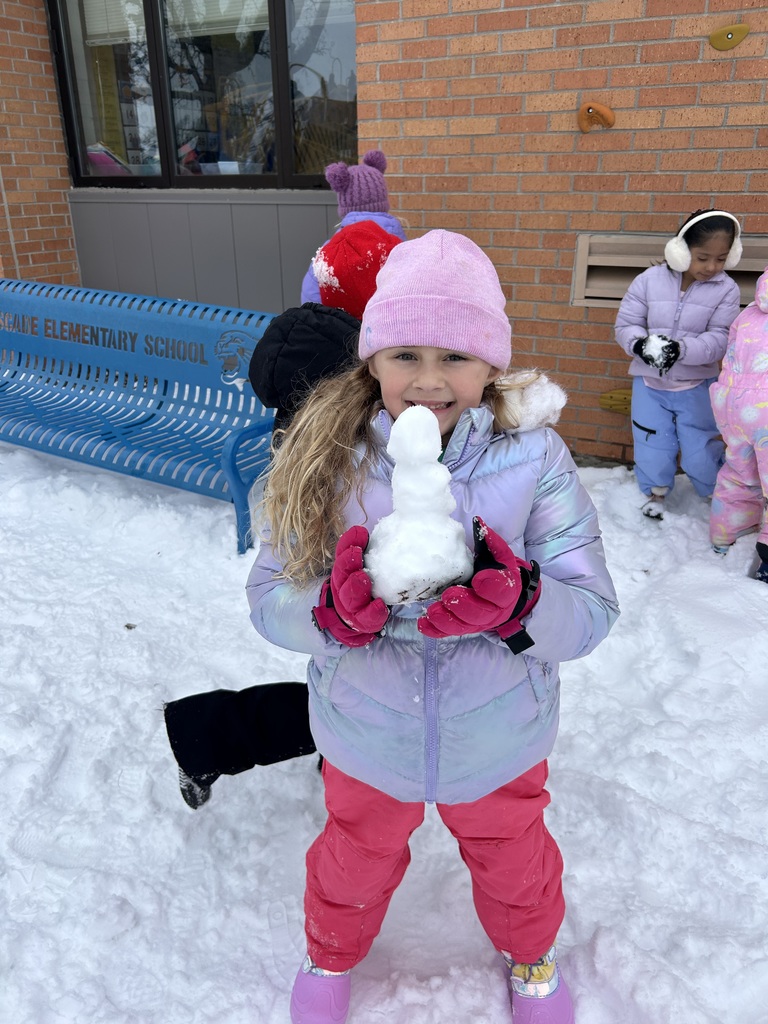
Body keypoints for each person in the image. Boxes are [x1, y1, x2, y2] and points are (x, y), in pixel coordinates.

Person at [246, 230, 620, 1024]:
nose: (427, 382)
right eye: (404, 355)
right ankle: (329, 954)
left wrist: (522, 605)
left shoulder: (535, 461)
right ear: (371, 359)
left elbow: (590, 612)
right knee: (353, 859)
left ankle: (533, 958)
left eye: (454, 356)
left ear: (492, 365)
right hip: (365, 731)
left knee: (515, 861)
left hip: (499, 733)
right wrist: (330, 614)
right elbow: (267, 595)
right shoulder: (324, 457)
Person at [165, 221, 403, 809]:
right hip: (339, 551)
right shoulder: (343, 368)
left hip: (335, 542)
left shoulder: (317, 343)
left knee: (357, 688)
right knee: (356, 696)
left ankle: (215, 734)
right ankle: (210, 733)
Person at [614, 209, 742, 519]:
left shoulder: (727, 290)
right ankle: (655, 493)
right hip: (649, 385)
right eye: (702, 257)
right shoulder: (648, 281)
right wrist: (640, 344)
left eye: (721, 258)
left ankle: (714, 493)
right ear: (681, 251)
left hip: (696, 386)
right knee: (651, 441)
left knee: (699, 447)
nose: (711, 266)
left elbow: (721, 338)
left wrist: (680, 350)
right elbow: (626, 323)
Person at [709, 264, 768, 583]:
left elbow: (730, 353)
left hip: (732, 403)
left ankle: (724, 534)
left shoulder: (748, 314)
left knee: (738, 472)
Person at [300, 149, 406, 305]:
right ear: (383, 201)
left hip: (341, 328)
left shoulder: (329, 252)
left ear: (344, 205)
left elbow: (310, 299)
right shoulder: (401, 246)